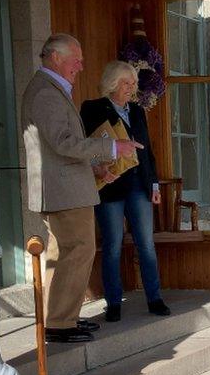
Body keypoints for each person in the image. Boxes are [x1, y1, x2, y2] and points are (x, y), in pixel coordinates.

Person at [23, 34, 142, 343]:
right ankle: (61, 323)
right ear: (55, 58)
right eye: (76, 58)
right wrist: (112, 148)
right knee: (78, 251)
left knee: (63, 254)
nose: (81, 65)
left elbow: (58, 147)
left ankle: (60, 318)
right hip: (64, 192)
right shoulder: (46, 93)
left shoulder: (50, 89)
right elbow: (63, 143)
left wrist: (95, 166)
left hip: (66, 188)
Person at [81, 61, 170, 322]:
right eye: (126, 83)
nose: (131, 88)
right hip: (110, 185)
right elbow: (86, 146)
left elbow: (147, 152)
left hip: (139, 186)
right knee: (112, 246)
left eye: (133, 84)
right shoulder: (93, 108)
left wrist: (154, 185)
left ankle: (154, 299)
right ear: (112, 83)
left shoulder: (138, 111)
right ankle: (113, 303)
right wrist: (98, 170)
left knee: (146, 244)